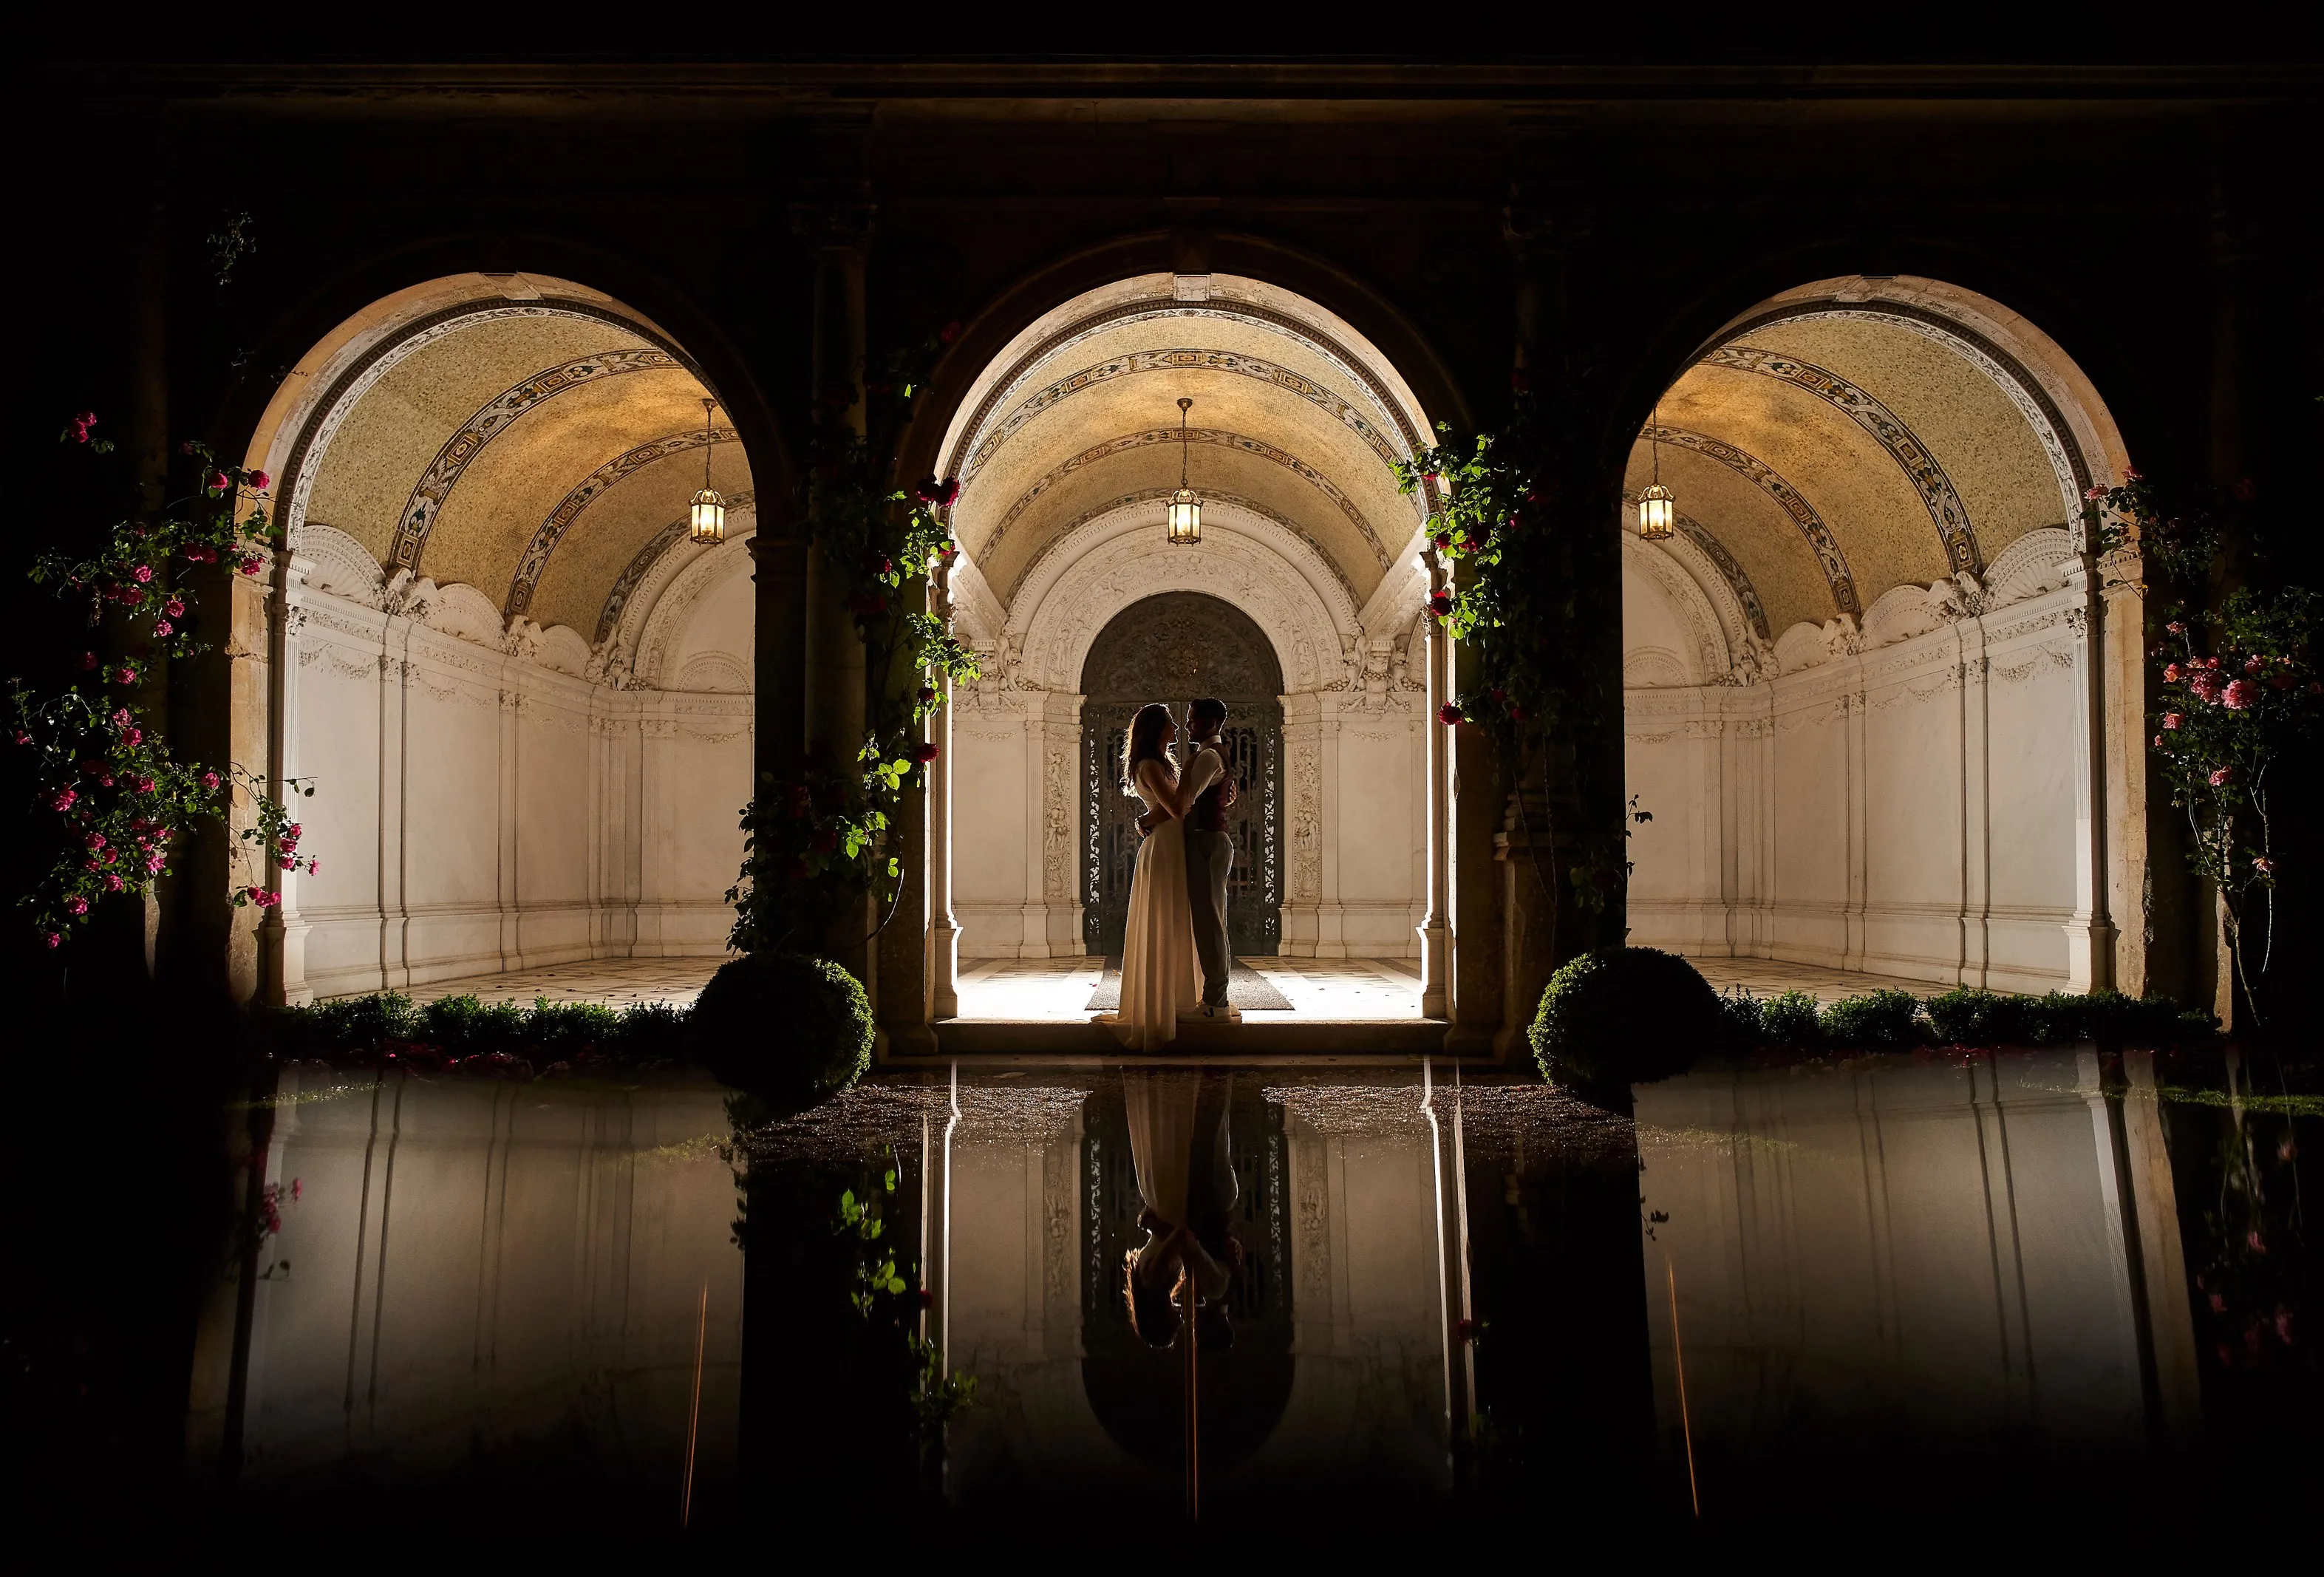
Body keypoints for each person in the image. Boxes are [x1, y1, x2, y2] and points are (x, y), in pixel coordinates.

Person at [1100, 703, 1203, 1050]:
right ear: (1157, 729)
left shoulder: (1162, 764)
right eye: (1171, 723)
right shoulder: (1149, 766)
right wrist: (1189, 787)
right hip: (1164, 846)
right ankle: (1161, 1007)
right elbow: (1175, 808)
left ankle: (1177, 999)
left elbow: (1179, 805)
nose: (1177, 727)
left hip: (1172, 842)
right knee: (1165, 918)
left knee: (1178, 918)